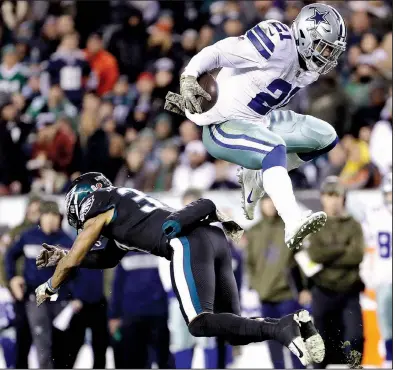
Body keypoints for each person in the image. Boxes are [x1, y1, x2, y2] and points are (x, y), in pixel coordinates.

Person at [35, 172, 324, 367]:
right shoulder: (123, 209)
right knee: (233, 328)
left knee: (199, 322)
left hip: (186, 242)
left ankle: (283, 329)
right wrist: (63, 254)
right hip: (212, 238)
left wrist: (49, 288)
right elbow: (105, 258)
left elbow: (75, 259)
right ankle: (294, 324)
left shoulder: (100, 204)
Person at [165, 3, 347, 249]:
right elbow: (219, 52)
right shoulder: (276, 43)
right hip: (224, 125)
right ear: (305, 36)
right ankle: (292, 220)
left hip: (258, 122)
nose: (327, 56)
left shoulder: (310, 69)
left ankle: (260, 177)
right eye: (323, 47)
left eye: (331, 50)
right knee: (274, 150)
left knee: (326, 137)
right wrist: (189, 75)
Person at [303, 176, 365, 368]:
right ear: (322, 197)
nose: (333, 199)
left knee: (355, 338)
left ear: (343, 198)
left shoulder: (354, 225)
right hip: (322, 289)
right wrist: (341, 248)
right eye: (329, 195)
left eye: (337, 195)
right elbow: (315, 254)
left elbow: (356, 256)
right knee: (320, 344)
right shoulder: (314, 224)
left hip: (349, 290)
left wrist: (328, 254)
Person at [5, 201, 74, 368]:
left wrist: (74, 295)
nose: (51, 220)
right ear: (40, 217)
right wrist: (13, 278)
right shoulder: (28, 236)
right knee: (42, 343)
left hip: (61, 299)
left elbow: (77, 271)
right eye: (47, 216)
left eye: (55, 216)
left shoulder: (67, 241)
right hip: (36, 297)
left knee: (62, 346)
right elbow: (9, 256)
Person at [246, 195, 309, 369]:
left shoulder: (291, 229)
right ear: (261, 204)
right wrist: (254, 287)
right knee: (273, 343)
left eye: (274, 201)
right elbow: (249, 264)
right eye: (267, 201)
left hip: (287, 294)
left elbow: (301, 261)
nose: (271, 205)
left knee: (294, 340)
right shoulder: (253, 232)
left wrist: (305, 288)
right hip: (264, 296)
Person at [108, 250, 173, 369]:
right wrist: (114, 316)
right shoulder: (124, 255)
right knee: (135, 360)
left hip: (155, 314)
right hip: (134, 316)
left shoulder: (161, 250)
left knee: (162, 359)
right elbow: (117, 286)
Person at [362, 174, 392, 368]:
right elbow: (368, 247)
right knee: (386, 322)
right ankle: (389, 357)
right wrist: (369, 274)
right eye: (389, 194)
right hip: (384, 276)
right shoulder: (375, 216)